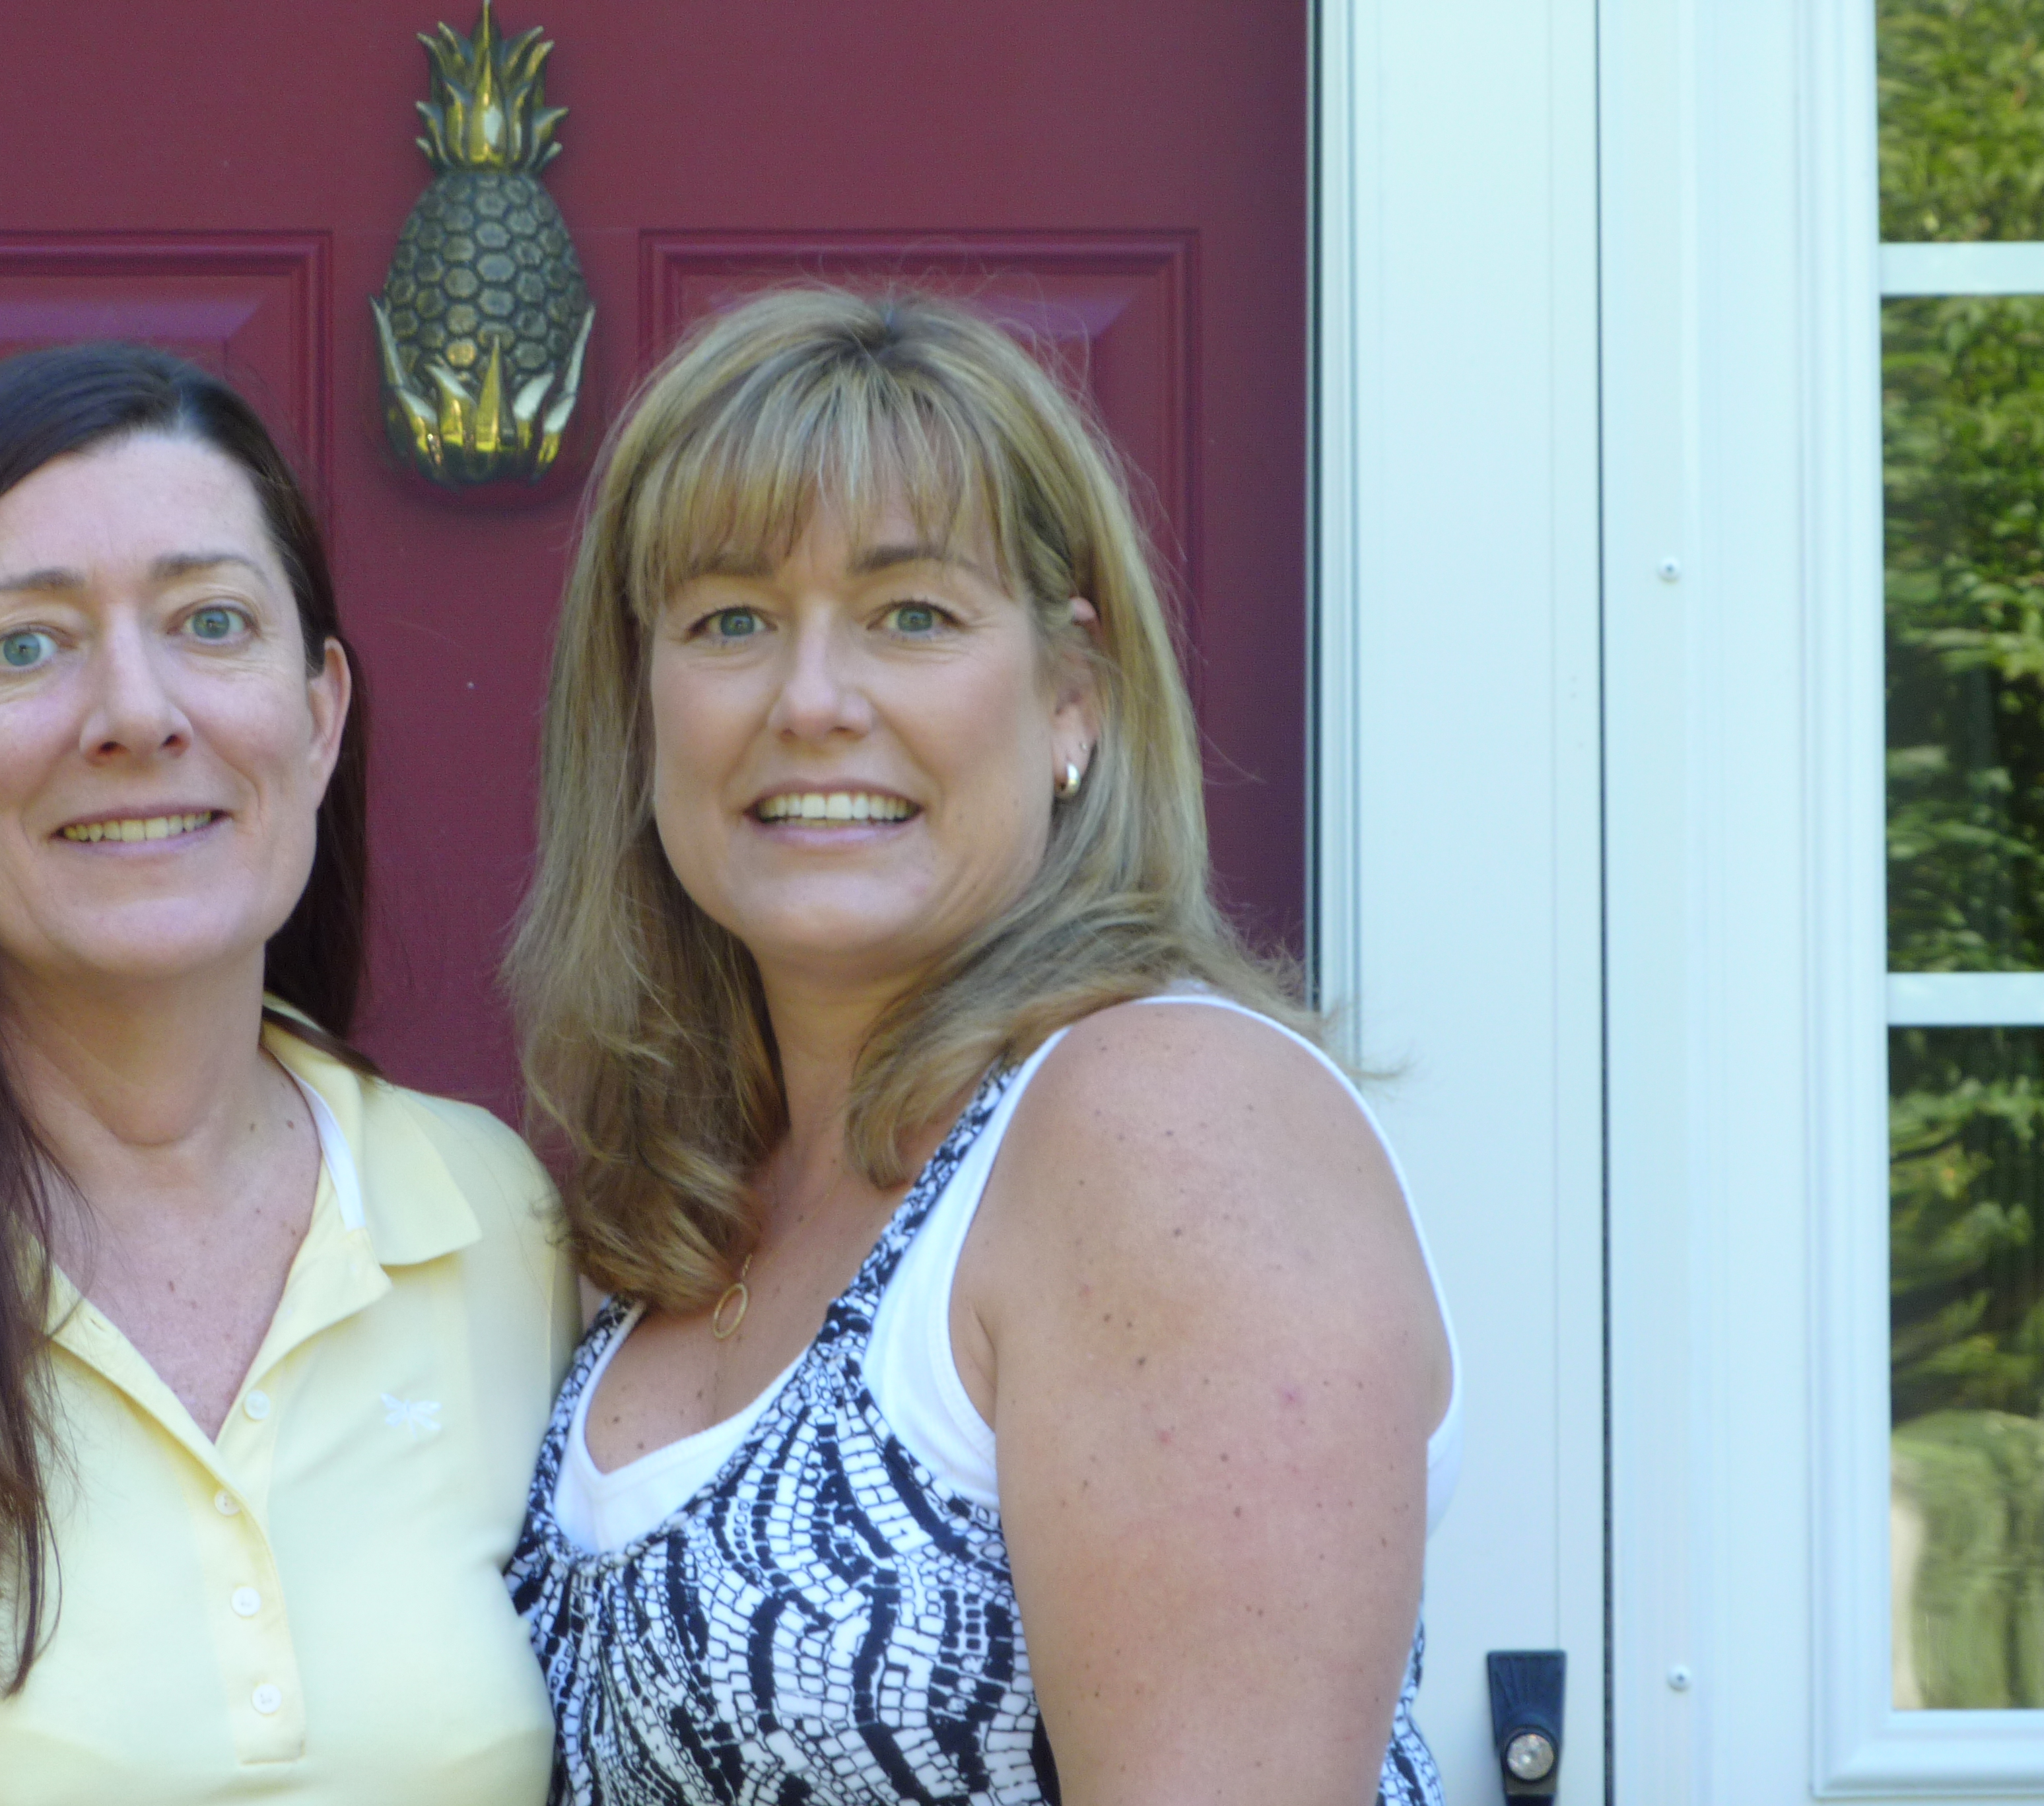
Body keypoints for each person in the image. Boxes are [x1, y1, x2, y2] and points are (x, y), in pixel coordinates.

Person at [504, 288, 1460, 1805]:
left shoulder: (1165, 1128)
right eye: (731, 621)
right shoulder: (675, 1214)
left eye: (913, 616)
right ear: (641, 711)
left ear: (1072, 696)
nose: (812, 702)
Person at [0, 343, 574, 1805]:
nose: (136, 712)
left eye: (211, 622)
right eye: (26, 645)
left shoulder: (486, 1211)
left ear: (319, 713)